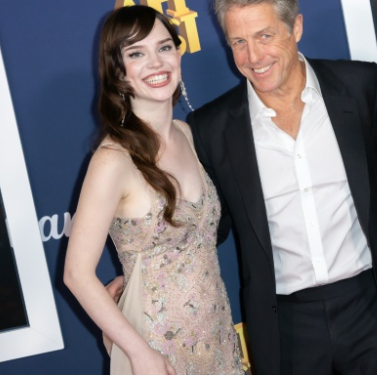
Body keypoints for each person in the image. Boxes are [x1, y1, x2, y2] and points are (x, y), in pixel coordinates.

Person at [186, 0, 377, 373]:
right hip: (285, 326)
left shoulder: (360, 87)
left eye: (265, 36)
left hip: (373, 307)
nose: (253, 56)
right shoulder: (211, 128)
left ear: (297, 28)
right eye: (238, 42)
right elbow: (210, 225)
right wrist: (144, 268)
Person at [63, 6, 243, 375]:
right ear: (118, 72)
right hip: (154, 349)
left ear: (178, 54)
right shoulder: (113, 160)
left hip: (217, 336)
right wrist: (139, 352)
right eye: (136, 54)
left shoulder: (188, 135)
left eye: (164, 48)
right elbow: (76, 274)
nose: (155, 63)